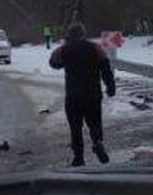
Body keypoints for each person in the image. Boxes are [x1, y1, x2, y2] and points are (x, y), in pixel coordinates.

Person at [48, 22, 116, 165]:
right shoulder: (95, 48)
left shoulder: (65, 50)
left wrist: (65, 47)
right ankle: (97, 141)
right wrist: (110, 86)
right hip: (93, 95)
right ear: (83, 34)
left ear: (70, 35)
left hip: (73, 96)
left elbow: (53, 63)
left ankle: (78, 157)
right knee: (95, 123)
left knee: (75, 127)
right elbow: (106, 68)